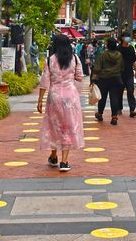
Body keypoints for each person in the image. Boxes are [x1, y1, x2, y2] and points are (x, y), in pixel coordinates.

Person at [37, 34, 84, 172]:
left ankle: (53, 155)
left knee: (54, 126)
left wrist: (40, 100)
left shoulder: (50, 60)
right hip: (71, 97)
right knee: (69, 127)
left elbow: (44, 82)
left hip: (55, 97)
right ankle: (64, 161)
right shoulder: (74, 58)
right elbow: (80, 77)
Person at [92, 37, 124, 125]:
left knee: (102, 97)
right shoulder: (119, 55)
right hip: (116, 78)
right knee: (114, 97)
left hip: (104, 78)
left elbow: (97, 68)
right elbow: (122, 67)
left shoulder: (102, 54)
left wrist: (94, 78)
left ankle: (100, 114)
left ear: (107, 45)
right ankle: (114, 116)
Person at [118, 35, 136, 117]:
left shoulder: (131, 48)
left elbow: (133, 60)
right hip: (119, 73)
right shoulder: (118, 48)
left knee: (130, 90)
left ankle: (132, 109)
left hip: (129, 72)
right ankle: (119, 108)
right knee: (119, 91)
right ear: (122, 38)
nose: (128, 39)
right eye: (126, 37)